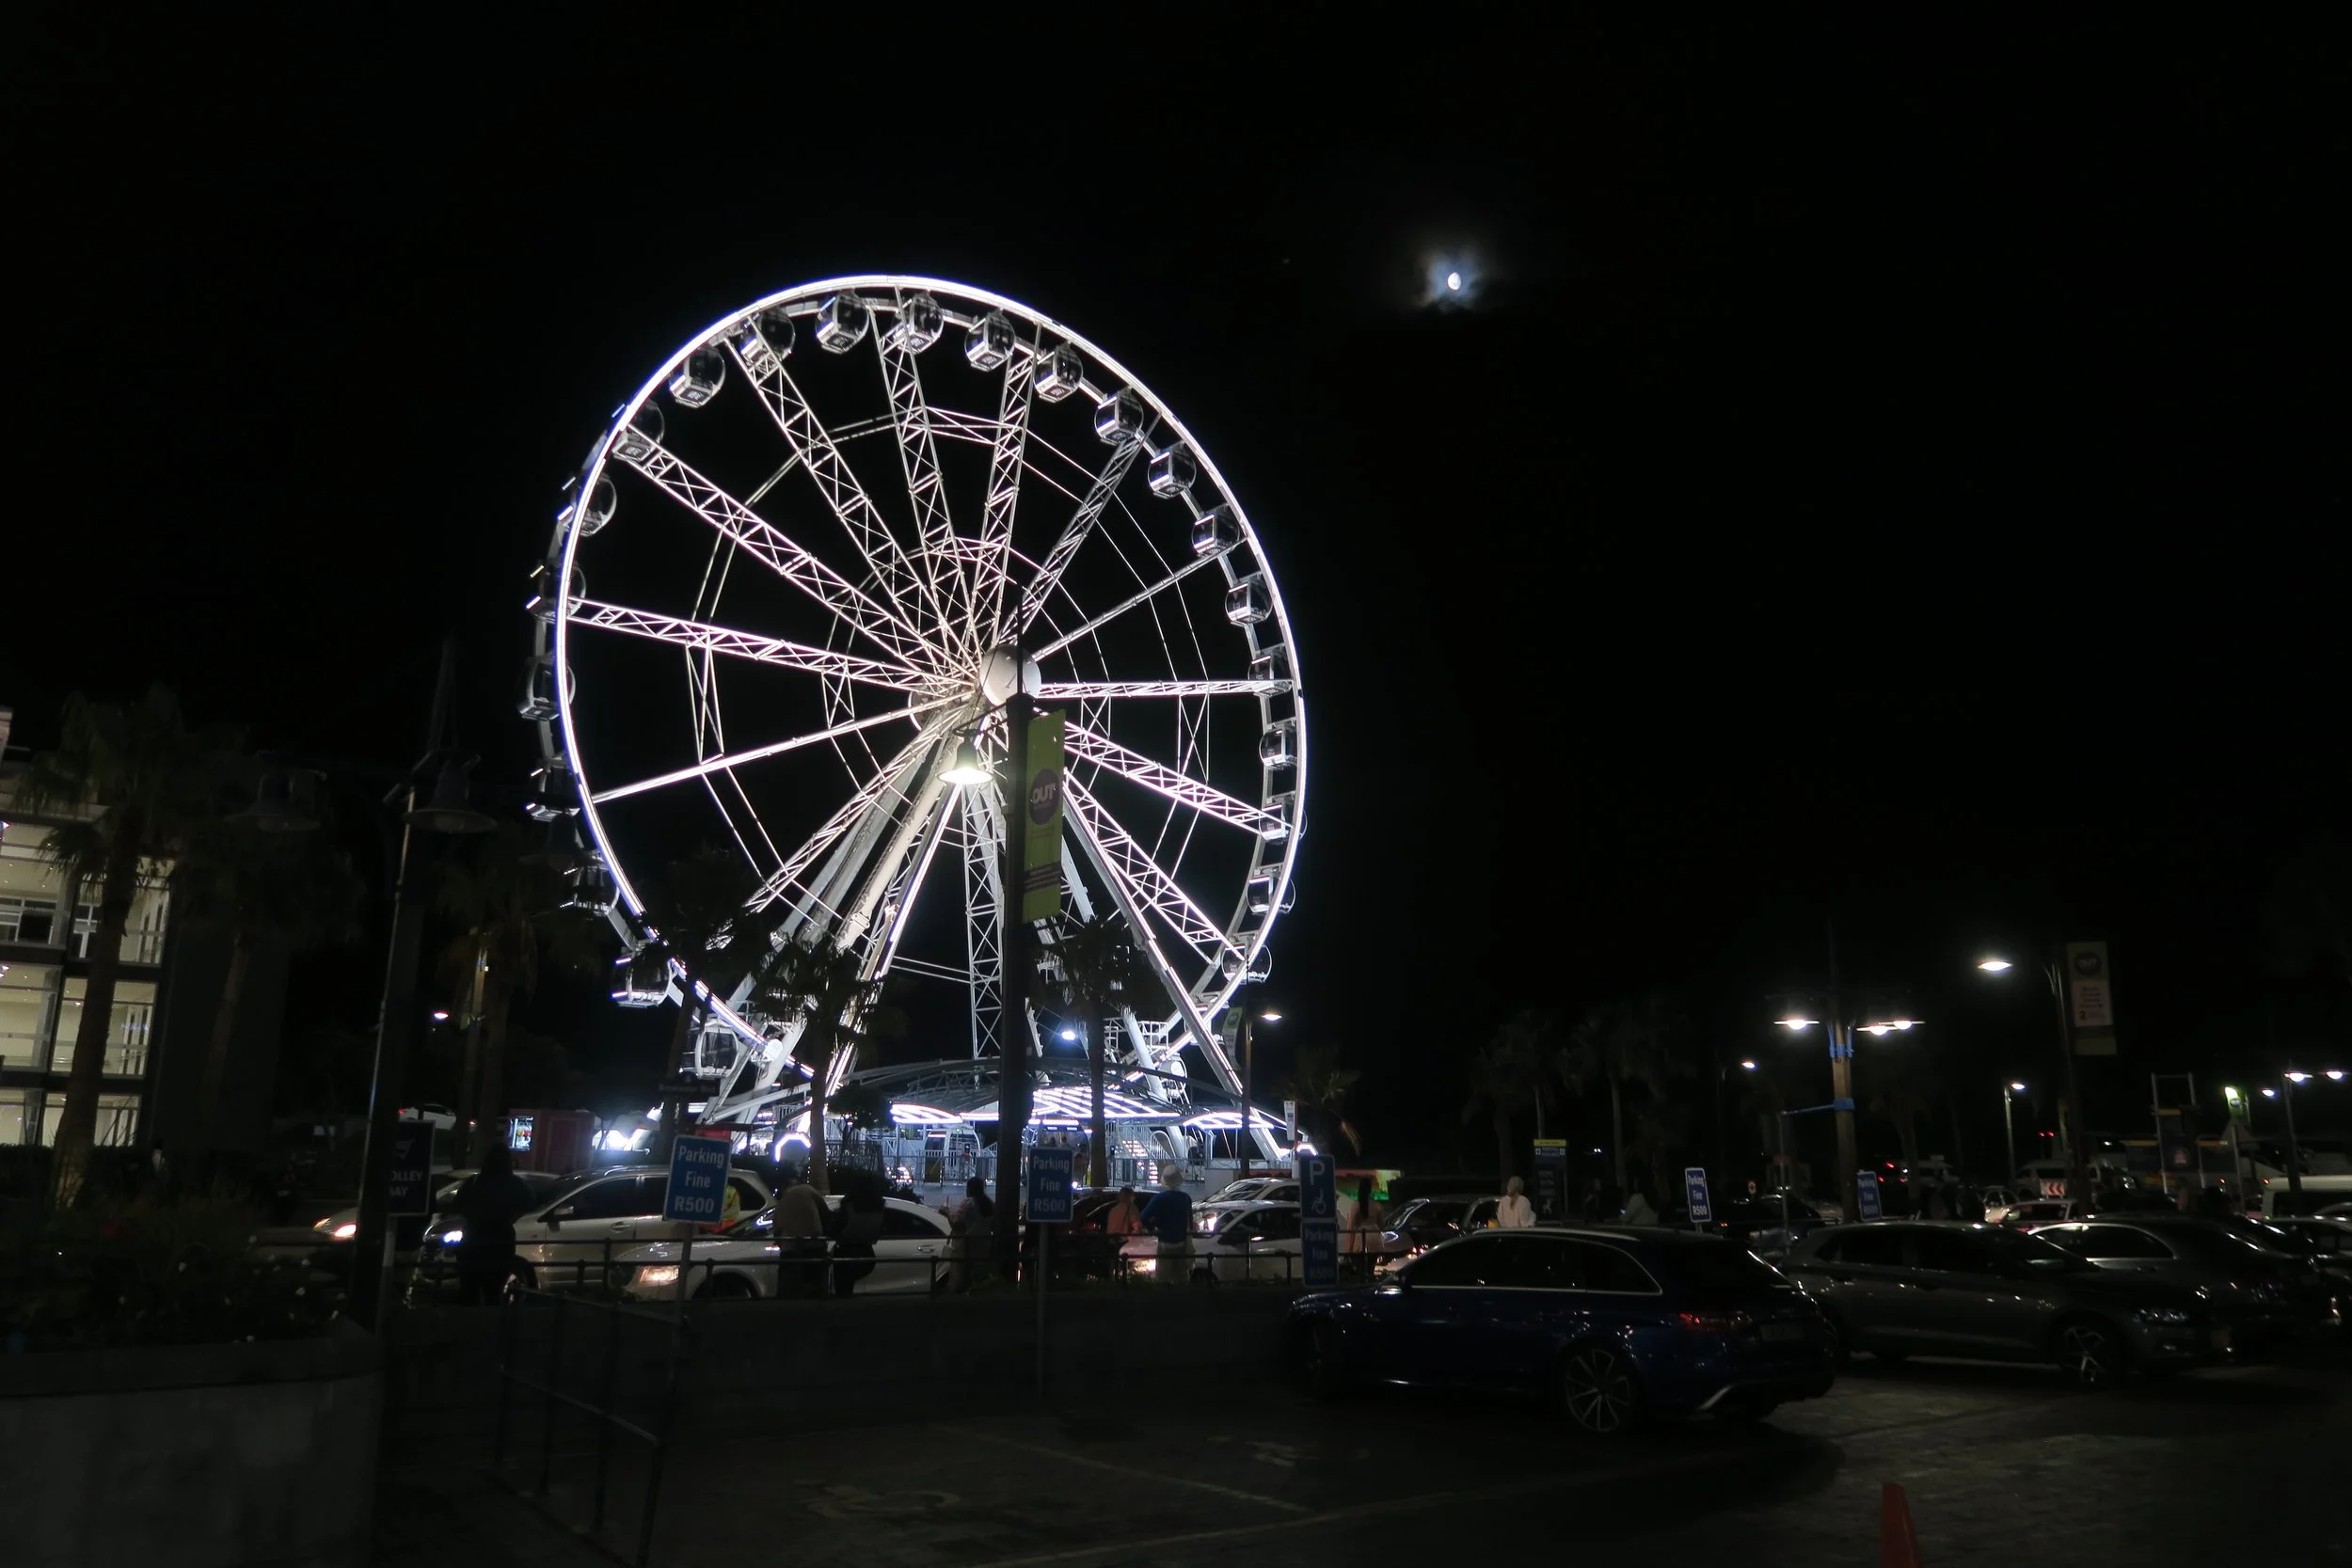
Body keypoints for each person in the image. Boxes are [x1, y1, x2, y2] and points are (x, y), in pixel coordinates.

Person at [451, 1143, 535, 1305]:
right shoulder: (515, 1184)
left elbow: (457, 1206)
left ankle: (465, 1325)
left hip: (474, 1240)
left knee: (469, 1290)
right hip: (500, 1241)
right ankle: (492, 1324)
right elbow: (530, 1204)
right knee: (494, 1291)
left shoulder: (474, 1182)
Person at [830, 1170, 886, 1296]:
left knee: (843, 1288)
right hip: (867, 1251)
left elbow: (839, 1226)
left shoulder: (848, 1205)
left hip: (846, 1251)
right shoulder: (879, 1206)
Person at [771, 1177, 830, 1297]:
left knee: (788, 1291)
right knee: (815, 1289)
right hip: (814, 1246)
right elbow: (826, 1212)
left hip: (789, 1250)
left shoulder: (781, 1202)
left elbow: (776, 1231)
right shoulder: (808, 1190)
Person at [1138, 1167, 1194, 1284]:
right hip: (1182, 1242)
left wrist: (1152, 1228)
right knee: (1181, 1277)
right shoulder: (1185, 1198)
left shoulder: (1159, 1198)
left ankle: (1163, 1300)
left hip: (1165, 1242)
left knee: (1162, 1277)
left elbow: (1143, 1217)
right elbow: (1190, 1222)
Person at [945, 1176, 993, 1292]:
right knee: (980, 1280)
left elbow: (957, 1225)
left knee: (965, 1279)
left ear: (970, 1189)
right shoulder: (991, 1204)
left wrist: (946, 1212)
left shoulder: (968, 1203)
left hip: (968, 1248)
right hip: (985, 1247)